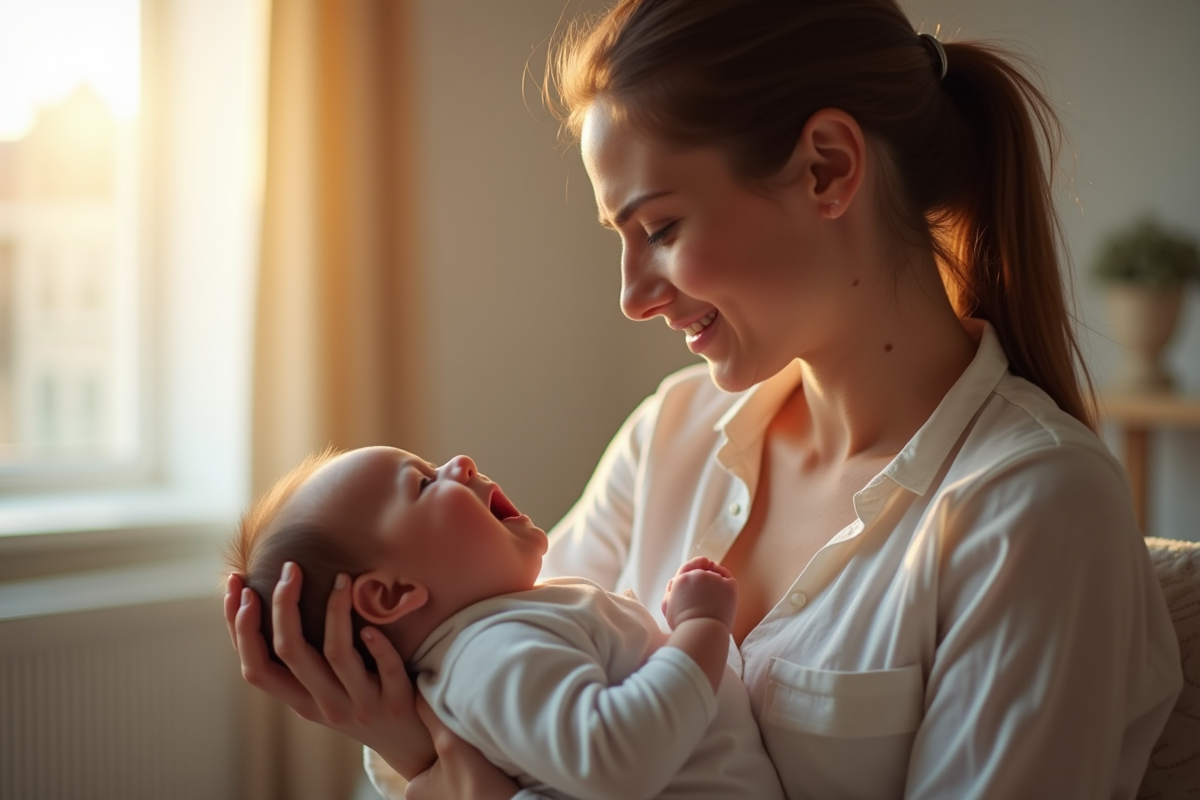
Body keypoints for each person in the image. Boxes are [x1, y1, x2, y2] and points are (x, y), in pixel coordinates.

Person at [226, 0, 1183, 797]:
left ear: (828, 170)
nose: (633, 294)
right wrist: (406, 746)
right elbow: (499, 671)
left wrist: (447, 758)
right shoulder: (668, 438)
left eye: (662, 227)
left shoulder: (1032, 509)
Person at [225, 445, 786, 800]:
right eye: (423, 483)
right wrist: (701, 629)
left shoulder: (499, 635)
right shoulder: (490, 652)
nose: (460, 463)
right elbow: (615, 760)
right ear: (391, 594)